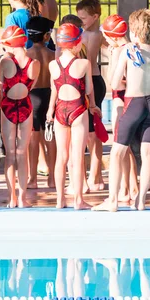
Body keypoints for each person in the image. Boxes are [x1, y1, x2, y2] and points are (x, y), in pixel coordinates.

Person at [93, 9, 150, 212]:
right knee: (147, 153)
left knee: (118, 152)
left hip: (133, 102)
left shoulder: (129, 50)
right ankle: (141, 200)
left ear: (135, 29)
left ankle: (112, 201)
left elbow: (115, 82)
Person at [46, 23, 100, 209]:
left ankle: (60, 199)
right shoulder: (84, 63)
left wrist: (49, 111)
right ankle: (78, 200)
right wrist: (93, 106)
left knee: (62, 156)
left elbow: (54, 89)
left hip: (60, 110)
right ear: (77, 43)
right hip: (78, 110)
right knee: (77, 157)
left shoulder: (53, 65)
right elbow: (90, 89)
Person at [0, 25, 40, 208]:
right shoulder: (35, 64)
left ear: (9, 44)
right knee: (22, 154)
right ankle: (22, 198)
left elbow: (0, 89)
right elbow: (30, 87)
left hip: (8, 107)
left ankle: (12, 198)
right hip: (26, 107)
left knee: (10, 155)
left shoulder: (5, 63)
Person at [101, 14, 138, 204]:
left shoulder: (118, 51)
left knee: (120, 145)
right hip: (134, 98)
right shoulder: (134, 47)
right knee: (128, 147)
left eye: (106, 37)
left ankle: (126, 189)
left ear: (113, 36)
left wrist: (111, 56)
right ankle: (132, 187)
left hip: (120, 100)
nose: (106, 41)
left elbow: (112, 82)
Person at [76, 0, 106, 191]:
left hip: (91, 82)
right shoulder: (90, 34)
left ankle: (94, 176)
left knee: (90, 134)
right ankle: (97, 176)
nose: (81, 22)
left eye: (84, 18)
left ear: (95, 16)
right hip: (91, 81)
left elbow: (88, 62)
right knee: (89, 133)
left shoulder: (92, 36)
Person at [26, 16, 56, 189]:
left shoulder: (27, 55)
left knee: (33, 138)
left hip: (33, 97)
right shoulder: (53, 55)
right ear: (46, 36)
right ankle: (52, 178)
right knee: (50, 137)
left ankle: (32, 179)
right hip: (49, 95)